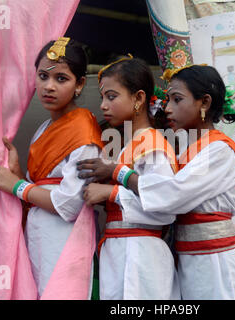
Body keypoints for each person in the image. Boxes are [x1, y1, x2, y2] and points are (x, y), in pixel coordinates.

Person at [78, 64, 235, 300]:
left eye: (177, 100)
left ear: (204, 103)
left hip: (219, 261)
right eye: (168, 100)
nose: (168, 108)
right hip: (192, 259)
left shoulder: (220, 151)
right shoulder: (188, 152)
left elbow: (173, 195)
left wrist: (116, 175)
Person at [0, 37, 103, 298]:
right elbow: (34, 192)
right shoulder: (43, 129)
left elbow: (69, 204)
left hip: (63, 238)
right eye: (43, 76)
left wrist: (17, 185)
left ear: (80, 84)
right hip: (39, 234)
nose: (49, 86)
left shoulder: (84, 131)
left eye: (61, 79)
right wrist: (18, 172)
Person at [78, 55, 180, 300]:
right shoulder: (128, 146)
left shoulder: (153, 144)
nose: (103, 105)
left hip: (141, 253)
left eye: (111, 97)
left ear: (138, 98)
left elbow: (165, 205)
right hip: (121, 249)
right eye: (103, 97)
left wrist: (110, 193)